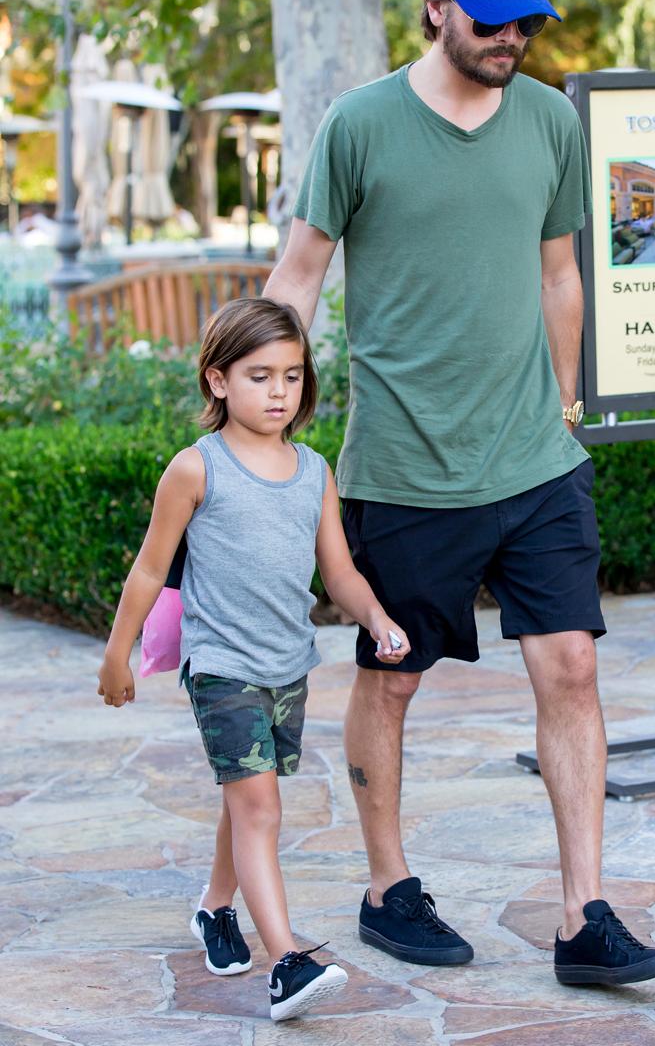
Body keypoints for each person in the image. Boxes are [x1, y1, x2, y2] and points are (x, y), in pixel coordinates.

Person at [264, 0, 655, 986]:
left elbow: (555, 269)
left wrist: (567, 393)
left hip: (533, 462)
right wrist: (253, 413)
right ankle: (385, 887)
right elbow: (300, 275)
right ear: (435, 6)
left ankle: (582, 914)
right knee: (391, 680)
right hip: (404, 467)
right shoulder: (358, 126)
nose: (508, 39)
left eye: (523, 21)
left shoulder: (549, 122)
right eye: (488, 20)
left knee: (571, 665)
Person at [96, 297, 411, 1020]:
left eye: (293, 376)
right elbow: (149, 570)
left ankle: (214, 906)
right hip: (221, 662)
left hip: (286, 665)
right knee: (260, 805)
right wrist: (118, 654)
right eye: (260, 375)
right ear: (217, 381)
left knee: (250, 797)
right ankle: (287, 965)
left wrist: (375, 615)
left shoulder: (312, 471)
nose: (279, 392)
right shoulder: (195, 468)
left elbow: (339, 573)